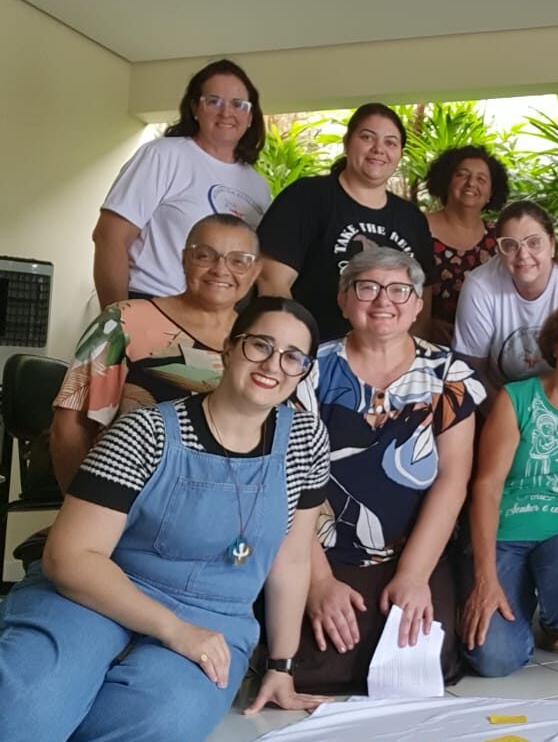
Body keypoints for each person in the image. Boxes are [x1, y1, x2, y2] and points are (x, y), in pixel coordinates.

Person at [0, 297, 332, 741]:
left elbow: (291, 560)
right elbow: (69, 557)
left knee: (161, 720)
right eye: (260, 345)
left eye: (293, 357)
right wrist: (172, 629)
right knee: (26, 705)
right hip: (97, 592)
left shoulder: (306, 441)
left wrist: (281, 667)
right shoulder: (144, 432)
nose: (273, 364)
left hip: (214, 615)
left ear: (304, 371)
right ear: (228, 348)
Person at [293, 248, 484, 692]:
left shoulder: (449, 374)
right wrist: (317, 580)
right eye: (367, 288)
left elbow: (453, 479)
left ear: (417, 304)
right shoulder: (306, 371)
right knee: (321, 658)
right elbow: (289, 480)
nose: (384, 301)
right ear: (343, 299)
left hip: (413, 549)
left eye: (399, 290)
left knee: (418, 659)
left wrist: (414, 575)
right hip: (319, 550)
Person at [52, 213, 262, 491]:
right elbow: (69, 427)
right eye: (205, 256)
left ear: (255, 271)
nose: (220, 270)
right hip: (126, 500)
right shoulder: (124, 322)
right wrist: (83, 504)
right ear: (184, 259)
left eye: (238, 261)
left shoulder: (263, 342)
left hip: (230, 504)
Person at [462, 302, 558, 677]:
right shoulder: (516, 397)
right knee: (494, 659)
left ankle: (555, 612)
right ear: (554, 344)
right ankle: (519, 603)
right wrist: (485, 578)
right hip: (505, 536)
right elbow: (486, 487)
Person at [93, 59, 271, 306]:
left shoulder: (257, 185)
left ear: (250, 117)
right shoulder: (163, 155)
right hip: (155, 304)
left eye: (238, 104)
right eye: (214, 101)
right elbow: (109, 237)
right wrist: (118, 318)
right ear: (195, 108)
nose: (226, 112)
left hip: (220, 318)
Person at [257, 103, 437, 342]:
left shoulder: (411, 218)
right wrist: (293, 347)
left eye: (390, 142)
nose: (379, 149)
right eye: (367, 137)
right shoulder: (308, 197)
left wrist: (409, 356)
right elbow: (272, 280)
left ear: (400, 154)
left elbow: (422, 300)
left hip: (390, 357)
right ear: (347, 142)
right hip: (314, 349)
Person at [454, 201, 558, 392]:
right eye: (510, 245)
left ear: (552, 245)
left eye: (534, 243)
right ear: (499, 251)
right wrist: (504, 409)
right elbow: (471, 370)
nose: (523, 255)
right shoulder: (480, 285)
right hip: (499, 394)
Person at [424, 145, 510, 345]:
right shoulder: (417, 227)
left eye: (482, 179)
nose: (471, 183)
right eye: (462, 175)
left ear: (491, 191)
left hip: (485, 346)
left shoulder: (500, 237)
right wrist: (425, 324)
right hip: (427, 344)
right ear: (446, 181)